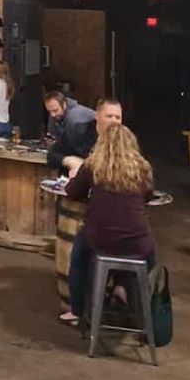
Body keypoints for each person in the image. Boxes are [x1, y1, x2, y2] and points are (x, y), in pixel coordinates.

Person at [62, 120, 156, 326]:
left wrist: (75, 177)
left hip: (100, 238)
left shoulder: (92, 166)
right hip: (137, 241)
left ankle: (78, 311)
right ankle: (122, 289)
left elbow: (72, 192)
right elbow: (148, 196)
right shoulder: (143, 168)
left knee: (78, 259)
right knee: (148, 259)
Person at [44, 90, 98, 173]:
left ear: (64, 104)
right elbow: (53, 134)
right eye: (50, 111)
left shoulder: (75, 117)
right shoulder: (55, 116)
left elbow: (76, 145)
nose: (52, 115)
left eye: (55, 110)